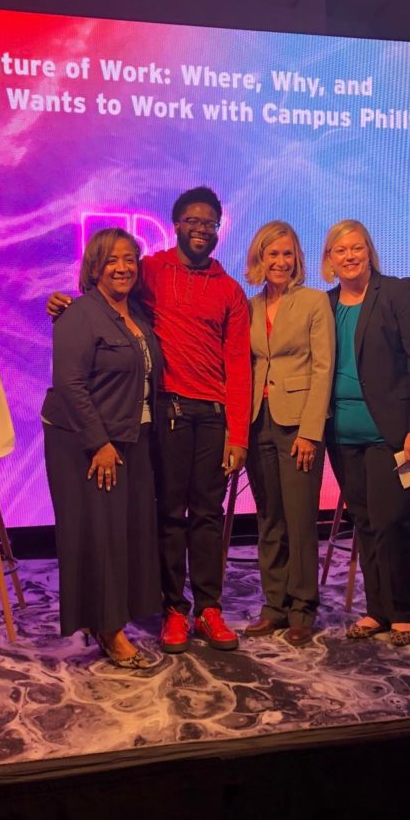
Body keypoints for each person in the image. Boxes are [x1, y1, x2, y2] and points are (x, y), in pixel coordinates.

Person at [48, 187, 251, 654]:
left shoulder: (230, 290)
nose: (200, 229)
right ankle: (173, 611)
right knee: (168, 515)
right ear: (176, 224)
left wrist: (238, 434)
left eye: (209, 223)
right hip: (168, 412)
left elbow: (239, 364)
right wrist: (65, 304)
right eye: (192, 221)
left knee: (207, 515)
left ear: (218, 229)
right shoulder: (152, 271)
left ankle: (209, 608)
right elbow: (103, 298)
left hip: (215, 418)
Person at [322, 220, 410, 647]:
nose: (349, 256)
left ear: (369, 251)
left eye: (357, 247)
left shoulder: (399, 293)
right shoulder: (324, 306)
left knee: (392, 520)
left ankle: (401, 612)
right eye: (340, 250)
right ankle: (376, 610)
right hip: (342, 436)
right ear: (329, 259)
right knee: (365, 521)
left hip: (396, 436)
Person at [42, 228, 163, 667]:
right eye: (113, 259)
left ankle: (109, 619)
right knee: (101, 536)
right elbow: (70, 385)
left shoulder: (136, 315)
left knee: (120, 533)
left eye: (130, 258)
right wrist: (100, 443)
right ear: (94, 266)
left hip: (129, 438)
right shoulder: (79, 315)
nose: (123, 267)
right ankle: (111, 633)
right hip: (86, 443)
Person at [242, 222, 334, 647]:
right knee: (269, 520)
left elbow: (323, 369)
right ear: (258, 259)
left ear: (297, 258)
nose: (280, 262)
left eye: (287, 254)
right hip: (258, 421)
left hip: (298, 426)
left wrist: (311, 433)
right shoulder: (250, 306)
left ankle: (302, 608)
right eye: (271, 254)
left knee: (299, 521)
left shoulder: (314, 302)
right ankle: (274, 606)